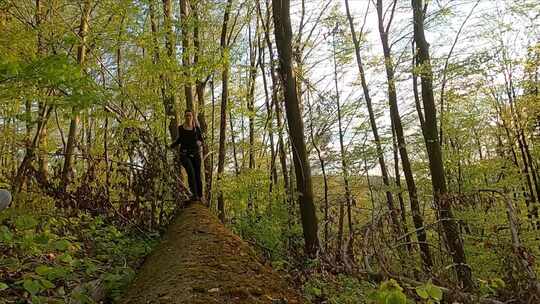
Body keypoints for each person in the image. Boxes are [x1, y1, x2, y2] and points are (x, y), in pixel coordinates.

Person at [169, 110, 204, 202]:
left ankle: (200, 196)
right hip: (184, 154)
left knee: (197, 175)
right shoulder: (181, 128)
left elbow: (202, 140)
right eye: (186, 116)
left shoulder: (196, 128)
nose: (188, 117)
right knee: (191, 173)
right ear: (184, 117)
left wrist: (199, 143)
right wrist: (171, 146)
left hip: (195, 154)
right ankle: (194, 195)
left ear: (192, 117)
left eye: (190, 116)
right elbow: (179, 140)